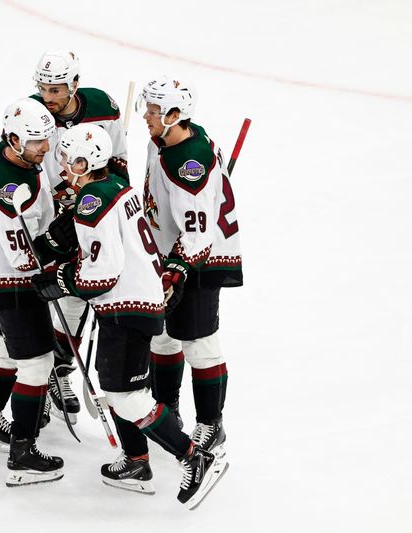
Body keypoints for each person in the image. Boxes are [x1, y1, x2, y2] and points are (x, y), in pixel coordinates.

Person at [30, 123, 228, 506]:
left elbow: (103, 273)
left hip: (127, 308)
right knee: (118, 391)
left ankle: (194, 458)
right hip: (138, 303)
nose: (62, 163)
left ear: (85, 161)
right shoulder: (117, 190)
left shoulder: (92, 202)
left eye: (68, 157)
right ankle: (136, 462)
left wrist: (61, 277)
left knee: (127, 395)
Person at [0, 97, 78, 486]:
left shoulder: (12, 158)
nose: (45, 148)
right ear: (13, 139)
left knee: (3, 351)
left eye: (47, 139)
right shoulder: (9, 184)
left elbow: (33, 210)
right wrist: (59, 238)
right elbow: (24, 258)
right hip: (11, 282)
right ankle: (23, 452)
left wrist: (56, 207)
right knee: (37, 364)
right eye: (36, 142)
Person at [137, 76, 243, 457]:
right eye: (147, 108)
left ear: (175, 115)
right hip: (169, 256)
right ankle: (170, 413)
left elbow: (198, 235)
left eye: (153, 110)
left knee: (200, 344)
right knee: (163, 339)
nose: (146, 117)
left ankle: (211, 425)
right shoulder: (169, 139)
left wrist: (175, 270)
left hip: (196, 261)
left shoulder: (188, 163)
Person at [29, 49, 130, 425]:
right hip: (54, 219)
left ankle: (59, 372)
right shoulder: (35, 114)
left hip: (93, 214)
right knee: (57, 299)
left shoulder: (104, 106)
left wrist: (107, 197)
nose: (49, 97)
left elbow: (119, 161)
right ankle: (46, 378)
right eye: (43, 88)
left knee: (86, 292)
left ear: (74, 84)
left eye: (56, 89)